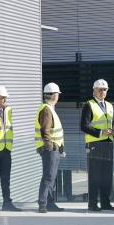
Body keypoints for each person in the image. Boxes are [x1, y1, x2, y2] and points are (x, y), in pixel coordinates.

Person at [80, 79, 114, 212]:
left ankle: (106, 203)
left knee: (107, 175)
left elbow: (112, 123)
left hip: (108, 143)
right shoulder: (88, 105)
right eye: (100, 89)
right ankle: (92, 204)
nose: (103, 92)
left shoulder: (110, 106)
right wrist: (101, 132)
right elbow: (84, 126)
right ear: (94, 90)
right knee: (95, 175)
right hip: (94, 143)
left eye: (105, 89)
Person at [35, 82, 66, 213]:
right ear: (53, 96)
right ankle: (43, 203)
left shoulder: (49, 109)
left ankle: (49, 203)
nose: (58, 97)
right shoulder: (47, 110)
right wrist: (50, 146)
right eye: (57, 94)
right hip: (50, 148)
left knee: (52, 177)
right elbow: (45, 130)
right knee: (48, 176)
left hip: (54, 148)